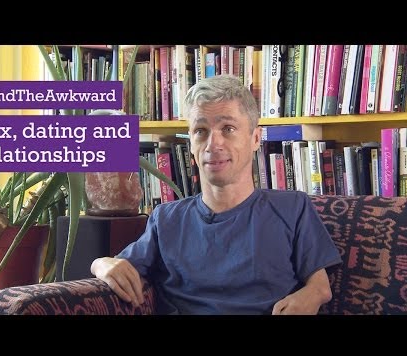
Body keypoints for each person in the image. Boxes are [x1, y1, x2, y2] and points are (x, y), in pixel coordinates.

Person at [91, 74, 342, 315]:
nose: (213, 144)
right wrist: (100, 264)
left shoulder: (293, 208)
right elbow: (116, 265)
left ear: (255, 138)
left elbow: (320, 287)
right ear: (190, 142)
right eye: (201, 131)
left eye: (228, 128)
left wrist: (309, 297)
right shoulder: (166, 219)